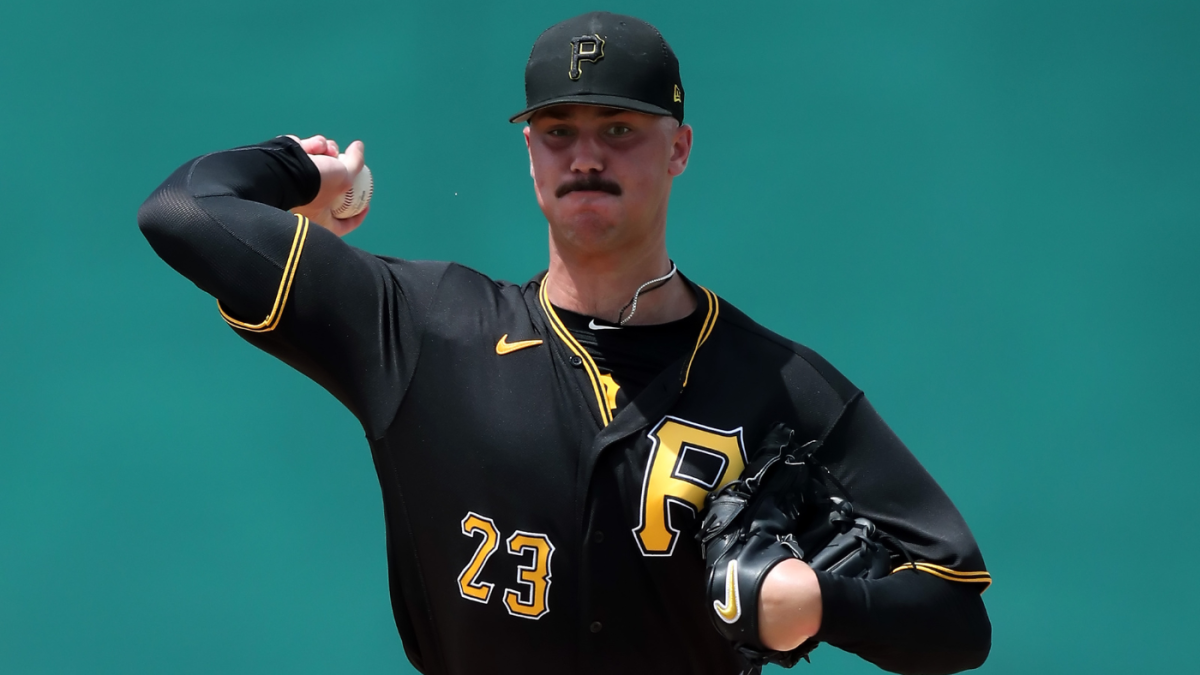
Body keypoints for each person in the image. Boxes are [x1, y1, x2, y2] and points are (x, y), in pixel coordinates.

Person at [138, 11, 991, 675]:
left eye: (620, 127)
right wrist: (302, 168)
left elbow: (958, 613)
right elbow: (183, 211)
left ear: (679, 148)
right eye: (559, 130)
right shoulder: (420, 327)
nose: (586, 154)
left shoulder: (782, 386)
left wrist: (817, 605)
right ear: (530, 154)